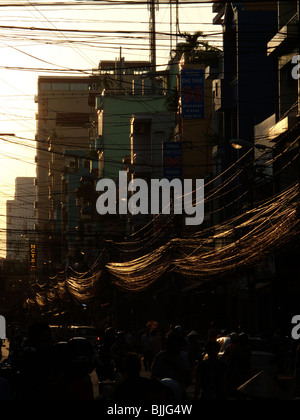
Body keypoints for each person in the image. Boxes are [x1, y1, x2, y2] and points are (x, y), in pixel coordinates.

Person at [151, 332, 192, 399]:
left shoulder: (183, 356)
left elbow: (188, 377)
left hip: (179, 391)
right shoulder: (160, 357)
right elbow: (154, 377)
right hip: (163, 393)